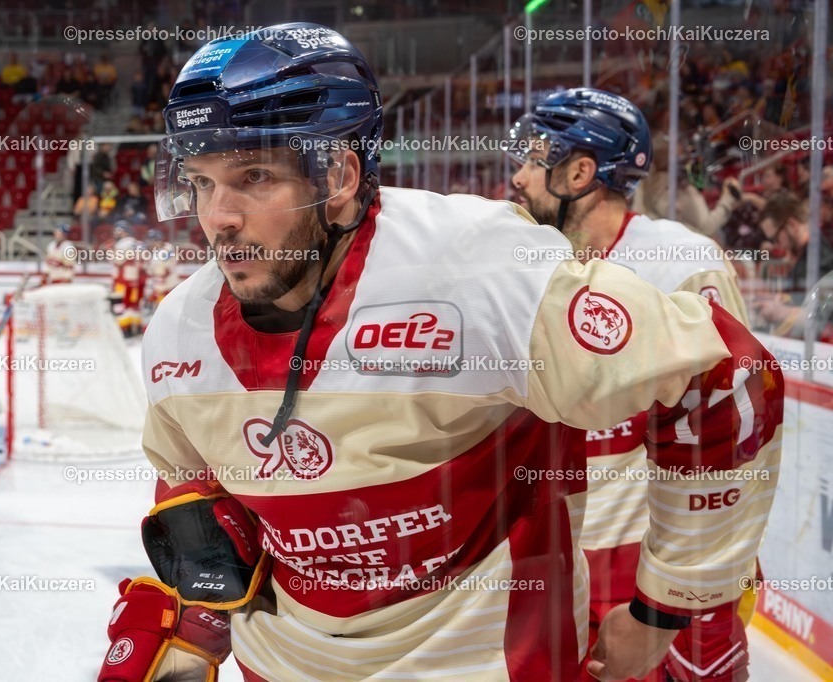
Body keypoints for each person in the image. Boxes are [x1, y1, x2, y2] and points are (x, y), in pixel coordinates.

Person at [96, 24, 783, 682]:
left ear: (337, 176)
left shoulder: (476, 266)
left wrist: (671, 603)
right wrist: (193, 628)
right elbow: (200, 493)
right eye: (201, 181)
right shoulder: (179, 327)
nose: (218, 216)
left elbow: (721, 376)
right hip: (277, 666)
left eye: (253, 176)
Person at [511, 88, 753, 682]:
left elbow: (734, 430)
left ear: (579, 173)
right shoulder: (516, 265)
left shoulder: (682, 262)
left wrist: (674, 599)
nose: (517, 177)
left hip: (650, 569)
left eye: (534, 160)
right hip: (547, 563)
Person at [754, 191, 833, 336]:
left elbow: (824, 318)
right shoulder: (806, 256)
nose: (776, 245)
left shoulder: (821, 260)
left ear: (792, 225)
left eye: (775, 238)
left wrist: (781, 311)